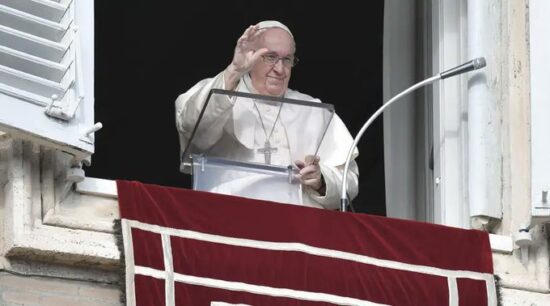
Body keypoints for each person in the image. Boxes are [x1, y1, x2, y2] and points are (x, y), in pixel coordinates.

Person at [175, 20, 359, 209]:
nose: (280, 69)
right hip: (231, 218)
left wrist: (321, 180)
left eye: (287, 59)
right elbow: (192, 127)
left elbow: (349, 180)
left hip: (298, 227)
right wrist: (234, 72)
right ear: (250, 56)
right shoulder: (220, 90)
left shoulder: (314, 110)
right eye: (270, 57)